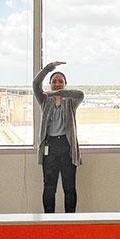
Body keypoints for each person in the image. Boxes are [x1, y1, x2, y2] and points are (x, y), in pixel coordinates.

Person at [33, 60, 85, 213]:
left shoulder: (71, 101)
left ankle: (70, 220)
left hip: (67, 147)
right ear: (50, 83)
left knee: (69, 187)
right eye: (54, 81)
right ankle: (49, 220)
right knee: (49, 187)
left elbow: (80, 94)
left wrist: (56, 93)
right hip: (50, 146)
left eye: (60, 81)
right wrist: (49, 68)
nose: (57, 83)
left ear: (65, 84)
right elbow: (36, 84)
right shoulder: (44, 100)